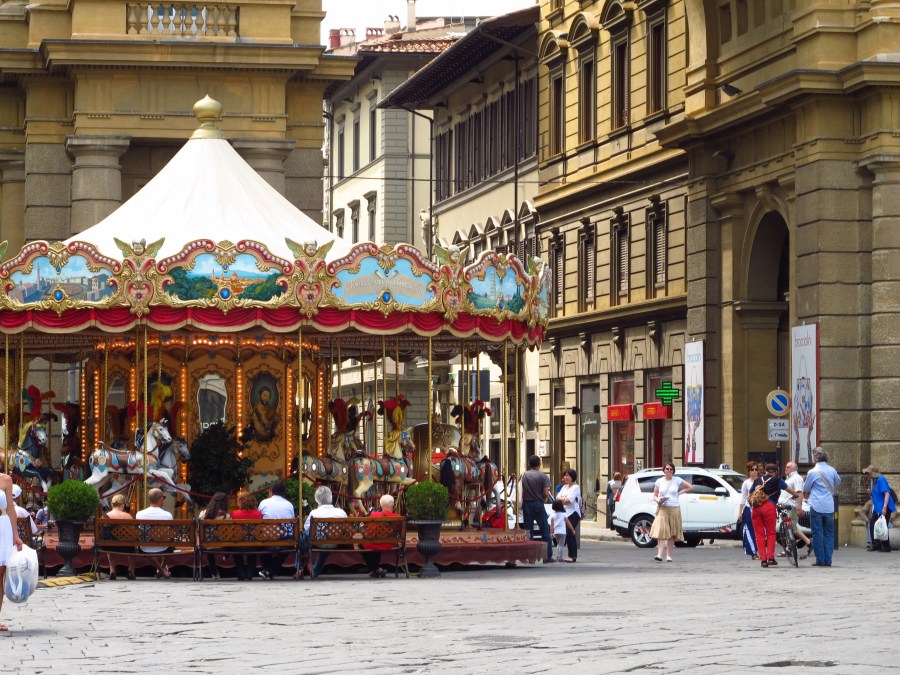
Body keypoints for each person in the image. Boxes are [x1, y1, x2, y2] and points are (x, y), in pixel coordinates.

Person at [751, 464, 799, 568]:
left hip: (756, 508)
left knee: (759, 535)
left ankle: (763, 560)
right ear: (776, 472)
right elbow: (789, 490)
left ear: (766, 471)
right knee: (771, 533)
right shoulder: (778, 480)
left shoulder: (757, 480)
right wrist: (796, 495)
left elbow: (749, 494)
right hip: (769, 507)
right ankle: (770, 558)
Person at [803, 448, 841, 567]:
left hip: (816, 505)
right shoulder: (832, 470)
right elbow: (838, 482)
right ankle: (828, 560)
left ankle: (820, 559)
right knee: (829, 533)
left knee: (817, 533)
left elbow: (806, 489)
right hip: (829, 506)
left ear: (815, 457)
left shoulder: (812, 472)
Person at [650, 462, 693, 562]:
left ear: (673, 471)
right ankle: (659, 554)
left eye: (671, 469)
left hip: (674, 508)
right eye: (667, 469)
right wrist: (658, 500)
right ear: (664, 470)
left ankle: (669, 555)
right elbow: (655, 495)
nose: (669, 471)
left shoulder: (677, 480)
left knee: (672, 533)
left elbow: (690, 487)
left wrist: (679, 493)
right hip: (663, 508)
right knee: (660, 531)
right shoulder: (659, 481)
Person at [304, 485, 348, 579]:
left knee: (304, 537)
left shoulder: (314, 513)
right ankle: (314, 570)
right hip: (336, 542)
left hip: (319, 542)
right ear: (331, 498)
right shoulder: (341, 512)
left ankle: (302, 566)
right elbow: (346, 529)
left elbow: (306, 528)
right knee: (326, 538)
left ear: (317, 500)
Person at [0, 473, 24, 632]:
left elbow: (10, 509)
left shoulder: (5, 479)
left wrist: (16, 535)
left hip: (2, 527)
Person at [258, 480, 295, 579]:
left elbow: (258, 519)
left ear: (271, 492)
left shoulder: (263, 503)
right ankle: (270, 570)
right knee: (289, 543)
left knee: (260, 542)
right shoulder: (289, 505)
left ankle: (268, 570)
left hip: (268, 540)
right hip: (284, 540)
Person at [520, 454, 553, 563]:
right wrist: (544, 499)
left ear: (529, 464)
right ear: (539, 464)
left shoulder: (524, 475)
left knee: (529, 532)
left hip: (527, 505)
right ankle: (547, 556)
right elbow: (546, 492)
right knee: (545, 531)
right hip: (538, 504)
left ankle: (531, 557)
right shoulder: (543, 476)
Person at [135, 488, 174, 578]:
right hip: (164, 547)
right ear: (160, 499)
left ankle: (161, 570)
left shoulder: (139, 514)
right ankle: (162, 569)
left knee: (147, 547)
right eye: (163, 497)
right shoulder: (168, 515)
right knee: (171, 543)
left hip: (145, 547)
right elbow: (170, 533)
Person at [360, 493, 398, 578]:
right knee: (376, 541)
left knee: (362, 543)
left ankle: (375, 569)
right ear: (393, 504)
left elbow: (370, 531)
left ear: (380, 504)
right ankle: (376, 570)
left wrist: (362, 528)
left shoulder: (374, 515)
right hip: (389, 543)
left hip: (374, 542)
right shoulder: (397, 517)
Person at [779, 461, 811, 558]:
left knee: (790, 526)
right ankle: (808, 543)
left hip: (793, 506)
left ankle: (789, 548)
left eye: (788, 467)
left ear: (794, 468)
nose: (786, 468)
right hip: (786, 505)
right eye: (785, 466)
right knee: (790, 526)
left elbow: (799, 493)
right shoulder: (789, 478)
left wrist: (799, 506)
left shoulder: (797, 478)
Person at [231, 491, 263, 581]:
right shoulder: (258, 514)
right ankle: (250, 573)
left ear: (240, 502)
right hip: (254, 545)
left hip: (238, 545)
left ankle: (241, 572)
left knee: (234, 545)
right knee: (253, 544)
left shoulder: (235, 514)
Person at [198, 492, 231, 579]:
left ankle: (215, 574)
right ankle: (226, 555)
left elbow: (198, 528)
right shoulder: (227, 517)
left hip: (207, 545)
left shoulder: (203, 514)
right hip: (222, 545)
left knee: (209, 546)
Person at [863, 464, 895, 553]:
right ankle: (876, 545)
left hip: (884, 507)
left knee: (883, 526)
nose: (867, 475)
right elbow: (876, 495)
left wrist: (885, 507)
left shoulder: (881, 479)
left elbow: (887, 493)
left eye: (868, 473)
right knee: (873, 524)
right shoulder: (874, 481)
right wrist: (870, 493)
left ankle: (886, 546)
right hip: (877, 508)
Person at [104, 493, 136, 580]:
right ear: (122, 505)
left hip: (110, 547)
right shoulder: (128, 516)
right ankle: (131, 570)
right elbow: (133, 531)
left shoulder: (106, 516)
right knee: (132, 546)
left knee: (109, 541)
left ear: (112, 504)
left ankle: (112, 570)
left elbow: (104, 532)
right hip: (127, 547)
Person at [557, 468, 582, 562]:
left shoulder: (576, 487)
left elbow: (568, 501)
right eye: (565, 475)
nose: (566, 477)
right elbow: (557, 497)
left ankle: (572, 556)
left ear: (573, 477)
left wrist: (562, 499)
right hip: (564, 513)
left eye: (568, 475)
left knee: (569, 533)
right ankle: (562, 555)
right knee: (564, 533)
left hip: (573, 513)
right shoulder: (564, 487)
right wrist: (563, 499)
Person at [738, 462, 759, 560]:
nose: (754, 471)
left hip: (759, 509)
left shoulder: (761, 481)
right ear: (749, 471)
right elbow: (743, 499)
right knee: (749, 531)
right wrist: (740, 512)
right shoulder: (746, 483)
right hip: (748, 509)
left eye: (756, 469)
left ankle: (760, 551)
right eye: (752, 469)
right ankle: (753, 553)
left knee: (759, 531)